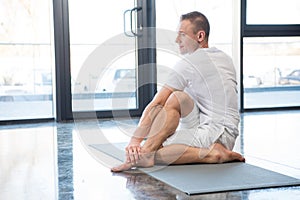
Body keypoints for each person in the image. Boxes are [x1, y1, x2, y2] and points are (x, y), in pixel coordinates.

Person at [111, 11, 245, 172]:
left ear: (200, 36)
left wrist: (135, 142)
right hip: (226, 130)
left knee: (155, 147)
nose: (177, 40)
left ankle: (213, 154)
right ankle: (149, 152)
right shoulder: (223, 57)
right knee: (177, 97)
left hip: (216, 134)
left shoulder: (190, 62)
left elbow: (158, 103)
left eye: (182, 34)